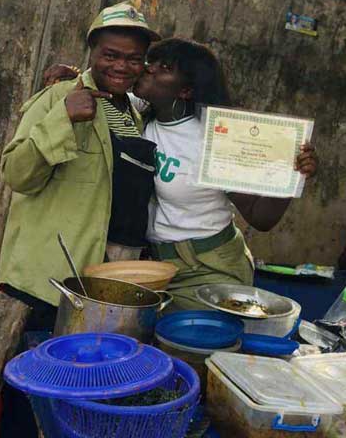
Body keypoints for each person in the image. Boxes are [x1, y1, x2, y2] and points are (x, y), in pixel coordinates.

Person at [0, 1, 160, 329]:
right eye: (110, 55)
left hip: (100, 284)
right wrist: (63, 118)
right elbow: (16, 173)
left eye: (133, 59)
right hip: (46, 282)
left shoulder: (135, 115)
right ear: (91, 52)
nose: (121, 67)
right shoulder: (57, 99)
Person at [132, 38, 318, 310]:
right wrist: (71, 78)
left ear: (185, 90)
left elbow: (260, 217)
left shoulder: (214, 140)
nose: (149, 69)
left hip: (207, 267)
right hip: (153, 266)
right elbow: (104, 82)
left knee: (183, 340)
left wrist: (292, 175)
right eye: (151, 61)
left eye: (165, 67)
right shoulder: (138, 112)